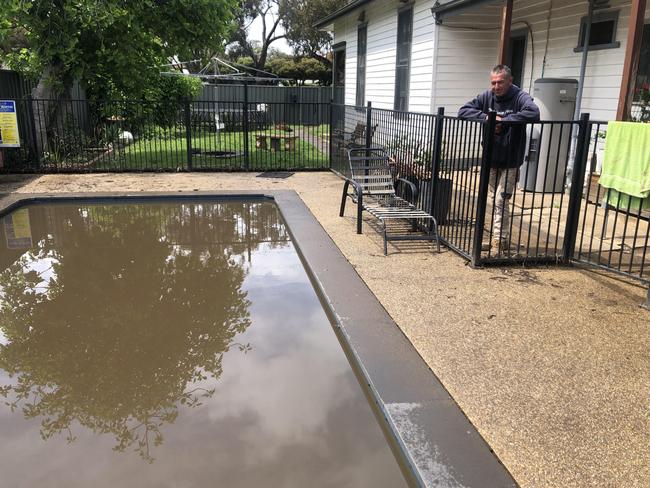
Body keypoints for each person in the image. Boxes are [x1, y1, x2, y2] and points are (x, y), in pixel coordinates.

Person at [458, 65, 540, 252]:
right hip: (491, 158)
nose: (496, 86)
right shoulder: (486, 97)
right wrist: (488, 118)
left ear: (510, 81)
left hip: (511, 160)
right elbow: (463, 111)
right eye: (493, 82)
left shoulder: (520, 97)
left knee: (501, 200)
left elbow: (533, 113)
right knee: (494, 198)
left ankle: (500, 241)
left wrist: (504, 121)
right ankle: (497, 238)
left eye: (500, 82)